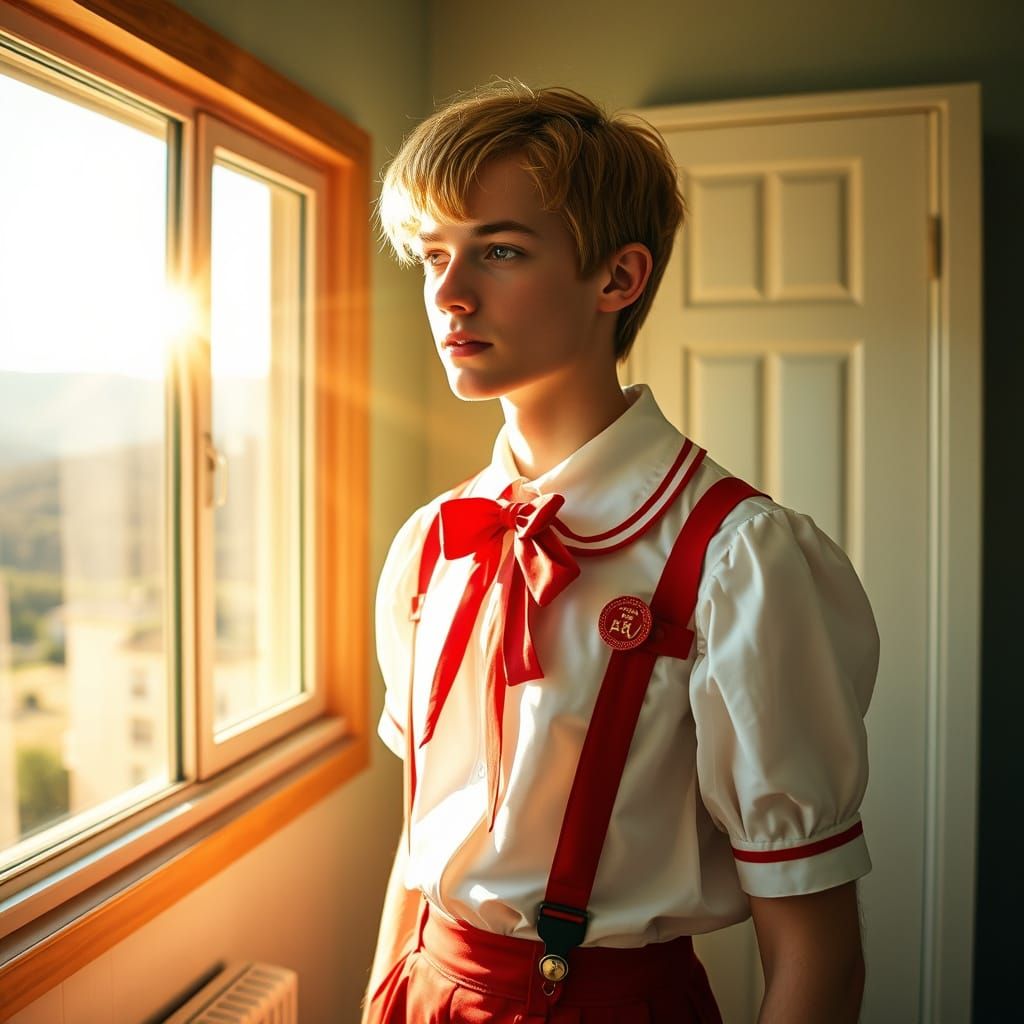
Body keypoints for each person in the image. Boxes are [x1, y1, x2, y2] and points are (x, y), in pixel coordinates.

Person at [364, 81, 878, 1024]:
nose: (447, 293)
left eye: (500, 250)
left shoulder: (738, 559)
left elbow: (817, 955)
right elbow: (418, 848)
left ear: (618, 278)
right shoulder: (432, 543)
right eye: (434, 255)